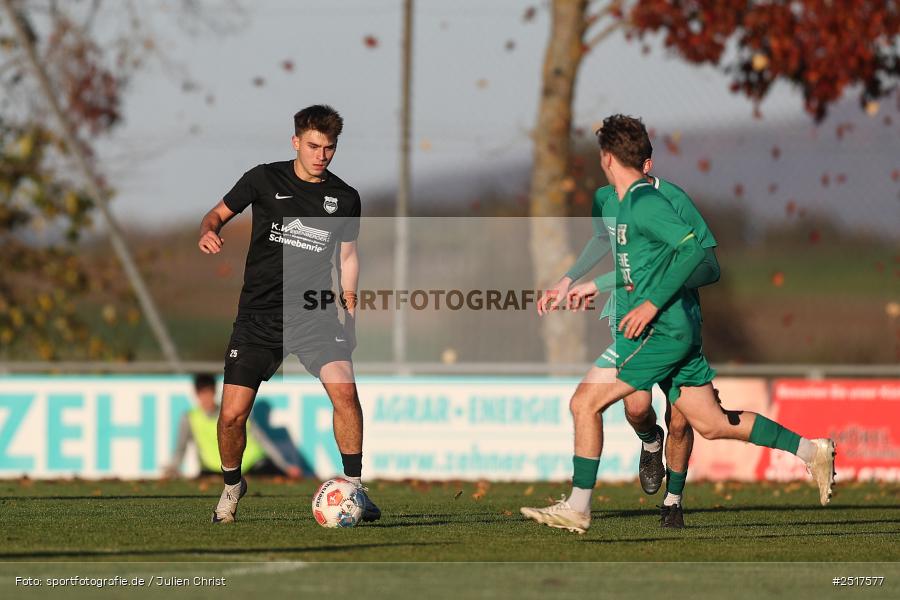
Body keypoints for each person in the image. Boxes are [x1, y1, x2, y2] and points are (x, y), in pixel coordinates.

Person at [521, 114, 835, 534]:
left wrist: (650, 305)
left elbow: (692, 253)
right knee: (712, 422)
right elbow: (637, 268)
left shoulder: (649, 203)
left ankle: (579, 507)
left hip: (660, 329)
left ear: (607, 157)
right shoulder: (622, 203)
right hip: (669, 329)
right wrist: (581, 282)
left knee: (584, 403)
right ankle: (812, 450)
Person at [197, 104, 379, 524]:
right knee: (231, 416)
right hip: (258, 317)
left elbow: (348, 259)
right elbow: (217, 214)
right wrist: (209, 231)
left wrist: (350, 315)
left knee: (346, 394)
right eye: (313, 146)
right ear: (296, 141)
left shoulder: (345, 198)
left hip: (314, 315)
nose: (321, 155)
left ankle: (354, 489)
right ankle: (231, 486)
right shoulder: (263, 178)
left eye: (329, 148)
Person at [539, 151, 719, 527]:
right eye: (608, 163)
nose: (611, 172)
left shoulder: (673, 200)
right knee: (637, 407)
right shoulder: (605, 200)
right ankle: (651, 441)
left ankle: (673, 501)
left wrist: (661, 287)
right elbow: (600, 241)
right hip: (626, 315)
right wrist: (567, 279)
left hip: (676, 319)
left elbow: (709, 265)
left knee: (684, 420)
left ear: (647, 165)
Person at [163, 374, 302, 479]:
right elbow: (180, 448)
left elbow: (263, 441)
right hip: (214, 471)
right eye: (202, 394)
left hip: (252, 464)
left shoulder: (231, 413)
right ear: (196, 394)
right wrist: (173, 469)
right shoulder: (190, 418)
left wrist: (286, 466)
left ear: (214, 392)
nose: (206, 398)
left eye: (209, 392)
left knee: (275, 476)